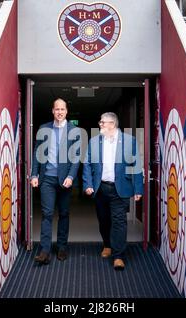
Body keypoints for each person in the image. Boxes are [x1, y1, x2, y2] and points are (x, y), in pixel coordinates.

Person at [83, 112, 143, 270]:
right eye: (101, 122)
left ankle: (118, 256)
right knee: (104, 220)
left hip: (120, 188)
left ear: (112, 124)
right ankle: (107, 245)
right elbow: (87, 163)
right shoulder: (94, 141)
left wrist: (138, 188)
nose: (100, 125)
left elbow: (136, 165)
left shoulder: (129, 141)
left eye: (103, 122)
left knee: (119, 222)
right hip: (101, 188)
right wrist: (87, 184)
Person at [30, 98, 81, 265]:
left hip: (65, 181)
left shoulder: (75, 131)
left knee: (64, 214)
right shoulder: (44, 128)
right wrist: (34, 175)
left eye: (62, 109)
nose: (59, 112)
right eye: (57, 109)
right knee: (47, 214)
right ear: (53, 111)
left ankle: (62, 247)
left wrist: (71, 177)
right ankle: (44, 250)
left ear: (66, 111)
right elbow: (37, 153)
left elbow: (76, 158)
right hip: (46, 180)